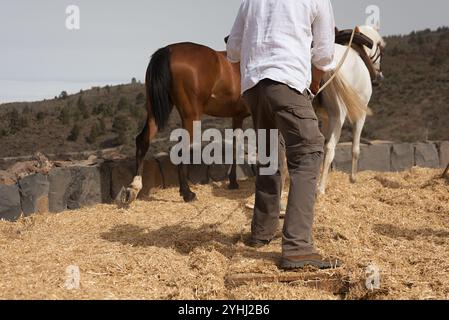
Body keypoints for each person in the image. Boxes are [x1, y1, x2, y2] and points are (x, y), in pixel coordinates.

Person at [227, 0, 341, 270]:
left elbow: (232, 51)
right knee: (309, 152)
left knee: (269, 155)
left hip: (253, 89)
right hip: (287, 81)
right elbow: (324, 54)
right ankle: (298, 248)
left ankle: (262, 232)